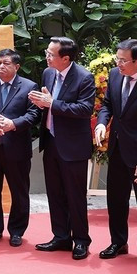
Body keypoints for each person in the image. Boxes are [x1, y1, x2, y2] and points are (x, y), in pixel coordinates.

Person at [93, 39, 137, 270]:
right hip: (117, 148)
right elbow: (107, 104)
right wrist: (102, 123)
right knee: (116, 200)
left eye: (123, 60)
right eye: (117, 58)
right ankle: (118, 242)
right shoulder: (115, 74)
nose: (118, 63)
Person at [29, 36, 95, 260]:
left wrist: (52, 104)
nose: (46, 57)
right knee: (55, 192)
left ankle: (81, 240)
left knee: (75, 196)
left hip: (73, 145)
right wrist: (41, 103)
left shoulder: (84, 77)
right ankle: (61, 236)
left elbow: (84, 110)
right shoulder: (48, 73)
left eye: (51, 54)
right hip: (51, 141)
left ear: (65, 58)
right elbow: (48, 105)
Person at [0, 48, 41, 247]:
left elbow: (34, 114)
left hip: (17, 149)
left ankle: (17, 231)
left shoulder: (29, 86)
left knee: (19, 192)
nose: (1, 67)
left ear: (17, 66)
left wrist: (13, 124)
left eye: (6, 63)